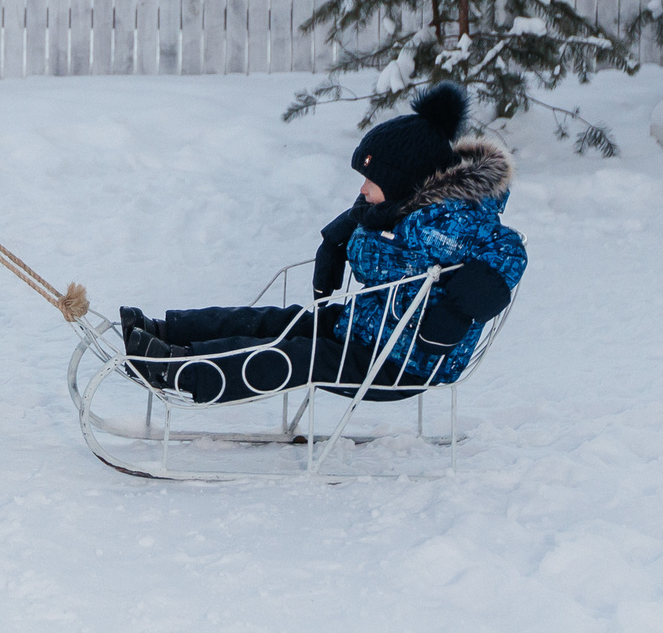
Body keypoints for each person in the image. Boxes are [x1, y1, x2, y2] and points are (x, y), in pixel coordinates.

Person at [117, 84, 523, 406]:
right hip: (366, 331)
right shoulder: (399, 211)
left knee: (298, 356)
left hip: (403, 362)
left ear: (402, 183)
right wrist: (342, 233)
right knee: (276, 322)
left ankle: (180, 370)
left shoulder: (451, 224)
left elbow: (508, 254)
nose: (363, 190)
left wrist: (453, 315)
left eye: (372, 181)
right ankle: (165, 333)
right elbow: (375, 230)